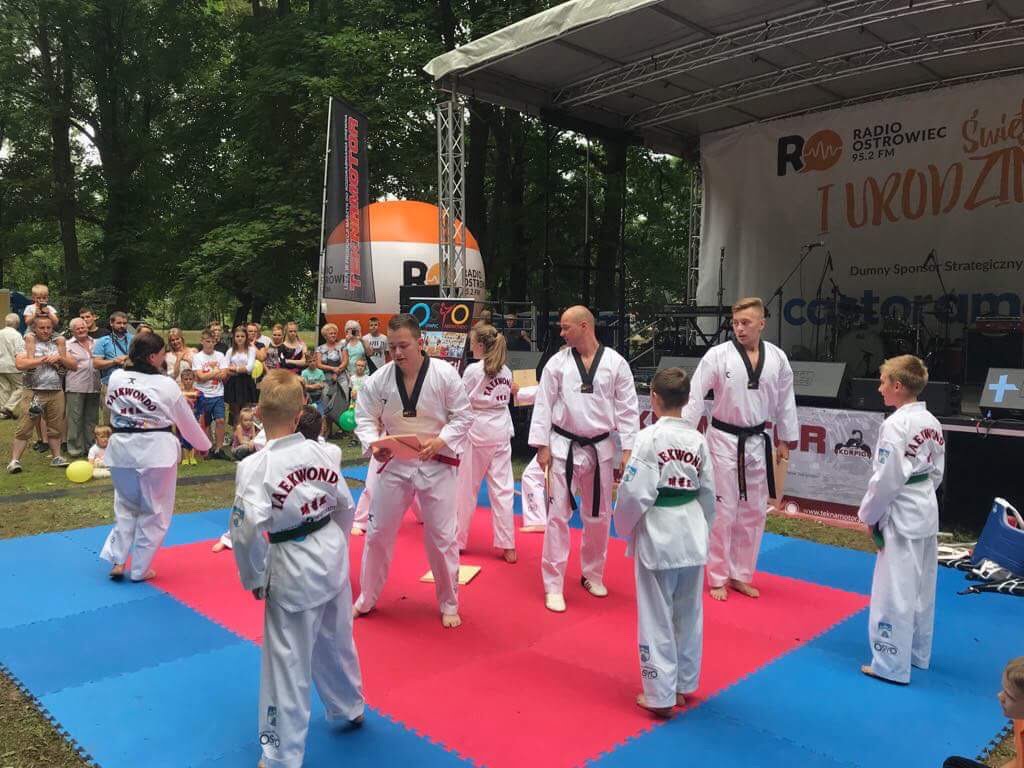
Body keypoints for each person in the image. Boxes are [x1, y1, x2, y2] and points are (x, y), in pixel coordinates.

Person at [230, 370, 364, 768]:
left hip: (291, 565)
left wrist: (255, 576)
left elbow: (243, 533)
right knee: (336, 639)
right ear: (299, 412)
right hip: (331, 553)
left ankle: (280, 753)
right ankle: (350, 705)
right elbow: (345, 505)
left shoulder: (255, 466)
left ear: (257, 413)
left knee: (286, 664)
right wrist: (337, 546)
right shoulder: (323, 452)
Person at [353, 313, 473, 628]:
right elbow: (364, 417)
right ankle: (366, 597)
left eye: (403, 345)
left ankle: (449, 602)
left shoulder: (445, 374)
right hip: (394, 463)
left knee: (442, 537)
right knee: (377, 534)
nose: (397, 352)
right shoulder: (379, 379)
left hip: (437, 462)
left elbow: (463, 416)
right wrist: (373, 443)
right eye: (392, 347)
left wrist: (441, 440)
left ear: (420, 343)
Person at [681, 297, 798, 602]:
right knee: (722, 511)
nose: (740, 328)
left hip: (757, 441)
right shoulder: (718, 355)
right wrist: (685, 433)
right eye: (735, 323)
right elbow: (695, 395)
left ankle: (741, 574)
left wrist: (785, 438)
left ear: (762, 324)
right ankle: (718, 576)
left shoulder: (778, 358)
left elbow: (786, 401)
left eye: (746, 323)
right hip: (722, 439)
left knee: (754, 511)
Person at [615, 368, 716, 717]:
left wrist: (625, 527)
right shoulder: (698, 440)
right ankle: (684, 684)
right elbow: (709, 493)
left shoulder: (648, 438)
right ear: (687, 400)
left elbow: (633, 493)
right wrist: (705, 529)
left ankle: (660, 695)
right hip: (692, 529)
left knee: (656, 615)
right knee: (688, 612)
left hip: (659, 532)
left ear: (654, 399)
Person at [529, 305, 639, 613]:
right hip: (563, 445)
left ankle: (592, 574)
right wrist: (541, 445)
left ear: (584, 326)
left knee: (599, 515)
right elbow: (543, 403)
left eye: (566, 327)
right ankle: (553, 583)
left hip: (600, 447)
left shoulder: (615, 363)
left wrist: (629, 448)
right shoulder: (557, 363)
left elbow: (628, 408)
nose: (561, 332)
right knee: (557, 516)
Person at [857, 354, 945, 685]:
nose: (879, 388)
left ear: (897, 386)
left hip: (900, 511)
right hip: (925, 505)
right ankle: (918, 653)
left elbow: (886, 480)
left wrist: (869, 515)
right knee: (922, 587)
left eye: (882, 382)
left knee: (893, 591)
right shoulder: (932, 421)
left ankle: (890, 663)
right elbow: (937, 472)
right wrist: (922, 494)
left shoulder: (894, 425)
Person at [99, 332, 212, 581]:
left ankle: (118, 559)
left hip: (121, 450)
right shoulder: (166, 385)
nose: (164, 356)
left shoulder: (116, 378)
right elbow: (186, 421)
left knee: (125, 504)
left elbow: (113, 405)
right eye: (162, 353)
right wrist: (203, 445)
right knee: (155, 511)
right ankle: (139, 569)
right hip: (155, 452)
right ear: (152, 357)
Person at [456, 324, 517, 563]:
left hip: (478, 431)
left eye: (472, 343)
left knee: (466, 489)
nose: (471, 347)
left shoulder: (474, 370)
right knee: (503, 489)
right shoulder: (506, 370)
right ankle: (508, 545)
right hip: (500, 430)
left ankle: (458, 540)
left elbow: (461, 401)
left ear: (481, 345)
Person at [7, 315, 75, 473]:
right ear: (34, 329)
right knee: (25, 427)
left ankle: (57, 457)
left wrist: (60, 358)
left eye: (48, 328)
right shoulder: (27, 343)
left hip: (56, 391)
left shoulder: (58, 344)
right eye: (42, 328)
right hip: (33, 392)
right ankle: (14, 461)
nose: (45, 331)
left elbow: (74, 365)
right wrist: (43, 359)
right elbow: (20, 364)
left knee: (56, 427)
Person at [944, 657, 1024, 768]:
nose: (1000, 696)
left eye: (1009, 696)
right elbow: (1019, 761)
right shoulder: (1020, 718)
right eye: (1003, 690)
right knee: (953, 763)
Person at [64, 318, 101, 458]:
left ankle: (91, 447)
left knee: (92, 419)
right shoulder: (67, 345)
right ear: (72, 331)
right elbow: (69, 364)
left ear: (87, 328)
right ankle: (75, 449)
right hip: (76, 385)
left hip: (94, 385)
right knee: (75, 419)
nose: (81, 330)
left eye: (83, 327)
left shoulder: (96, 342)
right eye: (77, 328)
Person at [192, 329, 230, 459]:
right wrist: (215, 372)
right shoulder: (197, 357)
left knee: (220, 420)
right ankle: (207, 449)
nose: (210, 344)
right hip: (203, 394)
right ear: (202, 341)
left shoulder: (220, 355)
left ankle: (219, 449)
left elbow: (224, 374)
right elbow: (200, 377)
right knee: (206, 423)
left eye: (212, 342)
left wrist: (208, 375)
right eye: (207, 341)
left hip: (218, 393)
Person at [92, 311, 134, 426]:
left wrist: (127, 358)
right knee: (109, 420)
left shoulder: (134, 340)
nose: (122, 326)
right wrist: (114, 361)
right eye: (119, 323)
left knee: (131, 420)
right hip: (110, 385)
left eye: (124, 323)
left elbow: (141, 359)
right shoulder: (103, 341)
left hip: (131, 385)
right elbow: (96, 363)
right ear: (111, 323)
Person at [224, 324, 257, 428]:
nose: (240, 338)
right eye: (237, 336)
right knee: (235, 411)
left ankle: (247, 433)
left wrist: (235, 368)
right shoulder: (230, 351)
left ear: (246, 337)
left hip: (246, 382)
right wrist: (240, 369)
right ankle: (236, 434)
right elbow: (225, 368)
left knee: (246, 411)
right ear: (234, 337)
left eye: (242, 336)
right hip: (233, 383)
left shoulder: (251, 350)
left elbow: (250, 368)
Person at [0, 313, 25, 420]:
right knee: (22, 387)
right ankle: (8, 408)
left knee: (4, 389)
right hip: (12, 365)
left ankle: (3, 413)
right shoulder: (16, 335)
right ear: (17, 324)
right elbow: (20, 352)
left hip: (1, 365)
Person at [178, 368, 203, 466]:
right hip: (182, 419)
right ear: (182, 380)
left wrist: (198, 415)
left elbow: (201, 407)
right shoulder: (178, 393)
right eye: (186, 379)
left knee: (192, 437)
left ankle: (192, 457)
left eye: (190, 379)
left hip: (194, 418)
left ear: (194, 380)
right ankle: (185, 458)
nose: (188, 381)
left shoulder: (198, 393)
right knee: (184, 437)